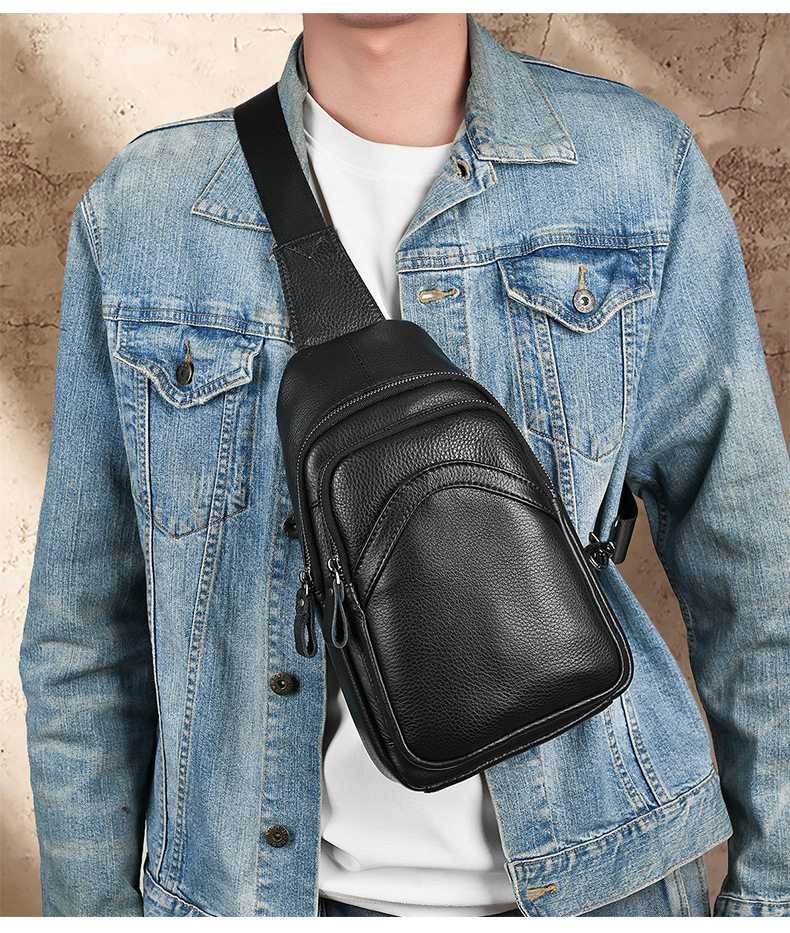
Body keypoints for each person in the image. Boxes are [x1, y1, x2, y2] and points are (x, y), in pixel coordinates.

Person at [19, 13, 790, 918]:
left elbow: (759, 583)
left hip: (606, 888)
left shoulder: (635, 171)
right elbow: (82, 638)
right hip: (252, 898)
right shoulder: (145, 213)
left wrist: (770, 902)